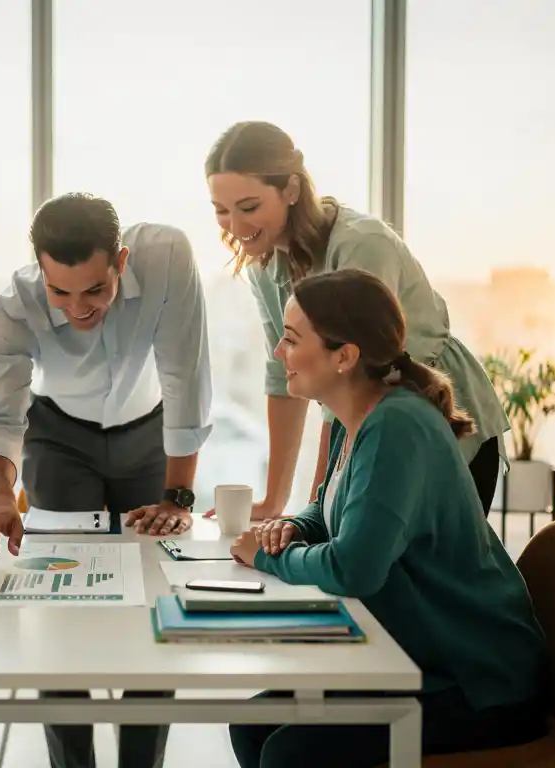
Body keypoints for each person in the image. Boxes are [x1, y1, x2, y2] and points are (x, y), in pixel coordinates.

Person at [227, 269, 550, 767]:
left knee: (289, 752)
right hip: (420, 660)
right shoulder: (353, 416)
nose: (277, 352)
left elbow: (353, 568)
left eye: (291, 339)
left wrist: (271, 558)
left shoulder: (396, 426)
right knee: (253, 726)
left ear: (345, 356)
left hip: (477, 682)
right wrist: (299, 527)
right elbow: (330, 503)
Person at [0, 192, 214, 768]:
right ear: (39, 272)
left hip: (150, 431)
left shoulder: (167, 254)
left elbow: (185, 375)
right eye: (60, 292)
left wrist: (178, 495)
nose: (78, 308)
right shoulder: (14, 308)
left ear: (120, 260)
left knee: (156, 599)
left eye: (95, 290)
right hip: (58, 434)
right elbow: (0, 417)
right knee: (60, 607)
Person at [205, 121, 509, 519]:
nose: (236, 226)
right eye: (221, 211)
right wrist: (274, 503)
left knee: (414, 571)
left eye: (249, 207)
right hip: (376, 427)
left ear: (292, 190)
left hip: (442, 421)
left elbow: (352, 377)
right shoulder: (264, 265)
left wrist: (314, 512)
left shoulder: (362, 245)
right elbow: (282, 373)